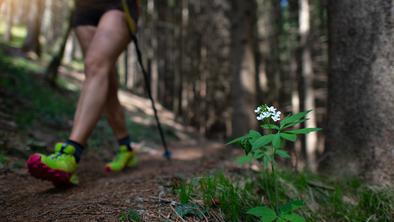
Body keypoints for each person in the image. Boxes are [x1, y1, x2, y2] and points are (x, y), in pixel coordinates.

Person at [26, 0, 140, 186]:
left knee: (95, 65)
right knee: (104, 76)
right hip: (84, 8)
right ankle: (126, 147)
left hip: (118, 5)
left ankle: (71, 153)